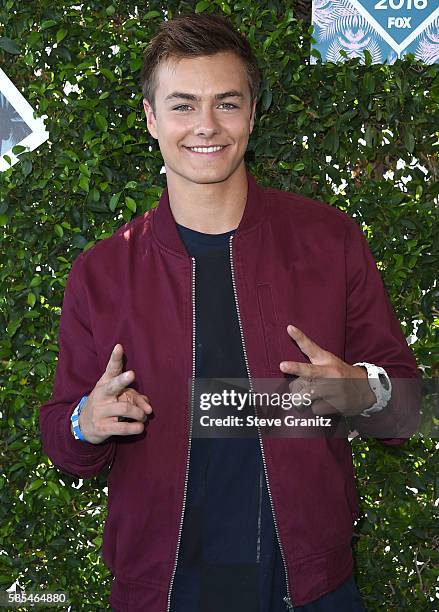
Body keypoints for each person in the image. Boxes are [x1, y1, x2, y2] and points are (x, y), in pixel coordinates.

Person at [39, 12, 421, 612]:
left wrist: (363, 392)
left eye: (227, 102)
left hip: (311, 582)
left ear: (252, 112)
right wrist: (87, 421)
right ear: (151, 118)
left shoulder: (331, 240)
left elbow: (408, 406)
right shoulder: (102, 271)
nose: (206, 126)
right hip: (164, 587)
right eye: (184, 105)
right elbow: (64, 437)